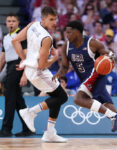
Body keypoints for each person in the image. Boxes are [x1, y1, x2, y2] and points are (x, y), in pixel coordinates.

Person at [53, 20, 117, 145]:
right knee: (113, 112)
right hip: (87, 81)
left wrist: (111, 57)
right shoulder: (67, 46)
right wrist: (58, 74)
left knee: (78, 99)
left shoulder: (92, 43)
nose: (66, 35)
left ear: (77, 32)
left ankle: (115, 117)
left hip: (97, 77)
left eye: (69, 32)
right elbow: (65, 67)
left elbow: (109, 53)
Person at [12, 6, 68, 142]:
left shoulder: (33, 24)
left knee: (57, 97)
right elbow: (42, 65)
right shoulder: (47, 38)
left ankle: (50, 133)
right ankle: (30, 112)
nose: (55, 22)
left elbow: (15, 40)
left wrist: (24, 60)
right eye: (51, 19)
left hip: (31, 70)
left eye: (56, 19)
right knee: (62, 96)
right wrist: (54, 58)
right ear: (43, 19)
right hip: (38, 72)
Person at [0, 13, 33, 137]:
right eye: (9, 21)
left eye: (13, 21)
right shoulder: (6, 37)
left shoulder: (21, 36)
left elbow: (26, 55)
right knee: (18, 100)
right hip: (9, 66)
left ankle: (6, 129)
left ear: (18, 23)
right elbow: (3, 58)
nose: (11, 23)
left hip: (18, 65)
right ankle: (27, 128)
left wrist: (25, 73)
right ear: (6, 23)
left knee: (9, 99)